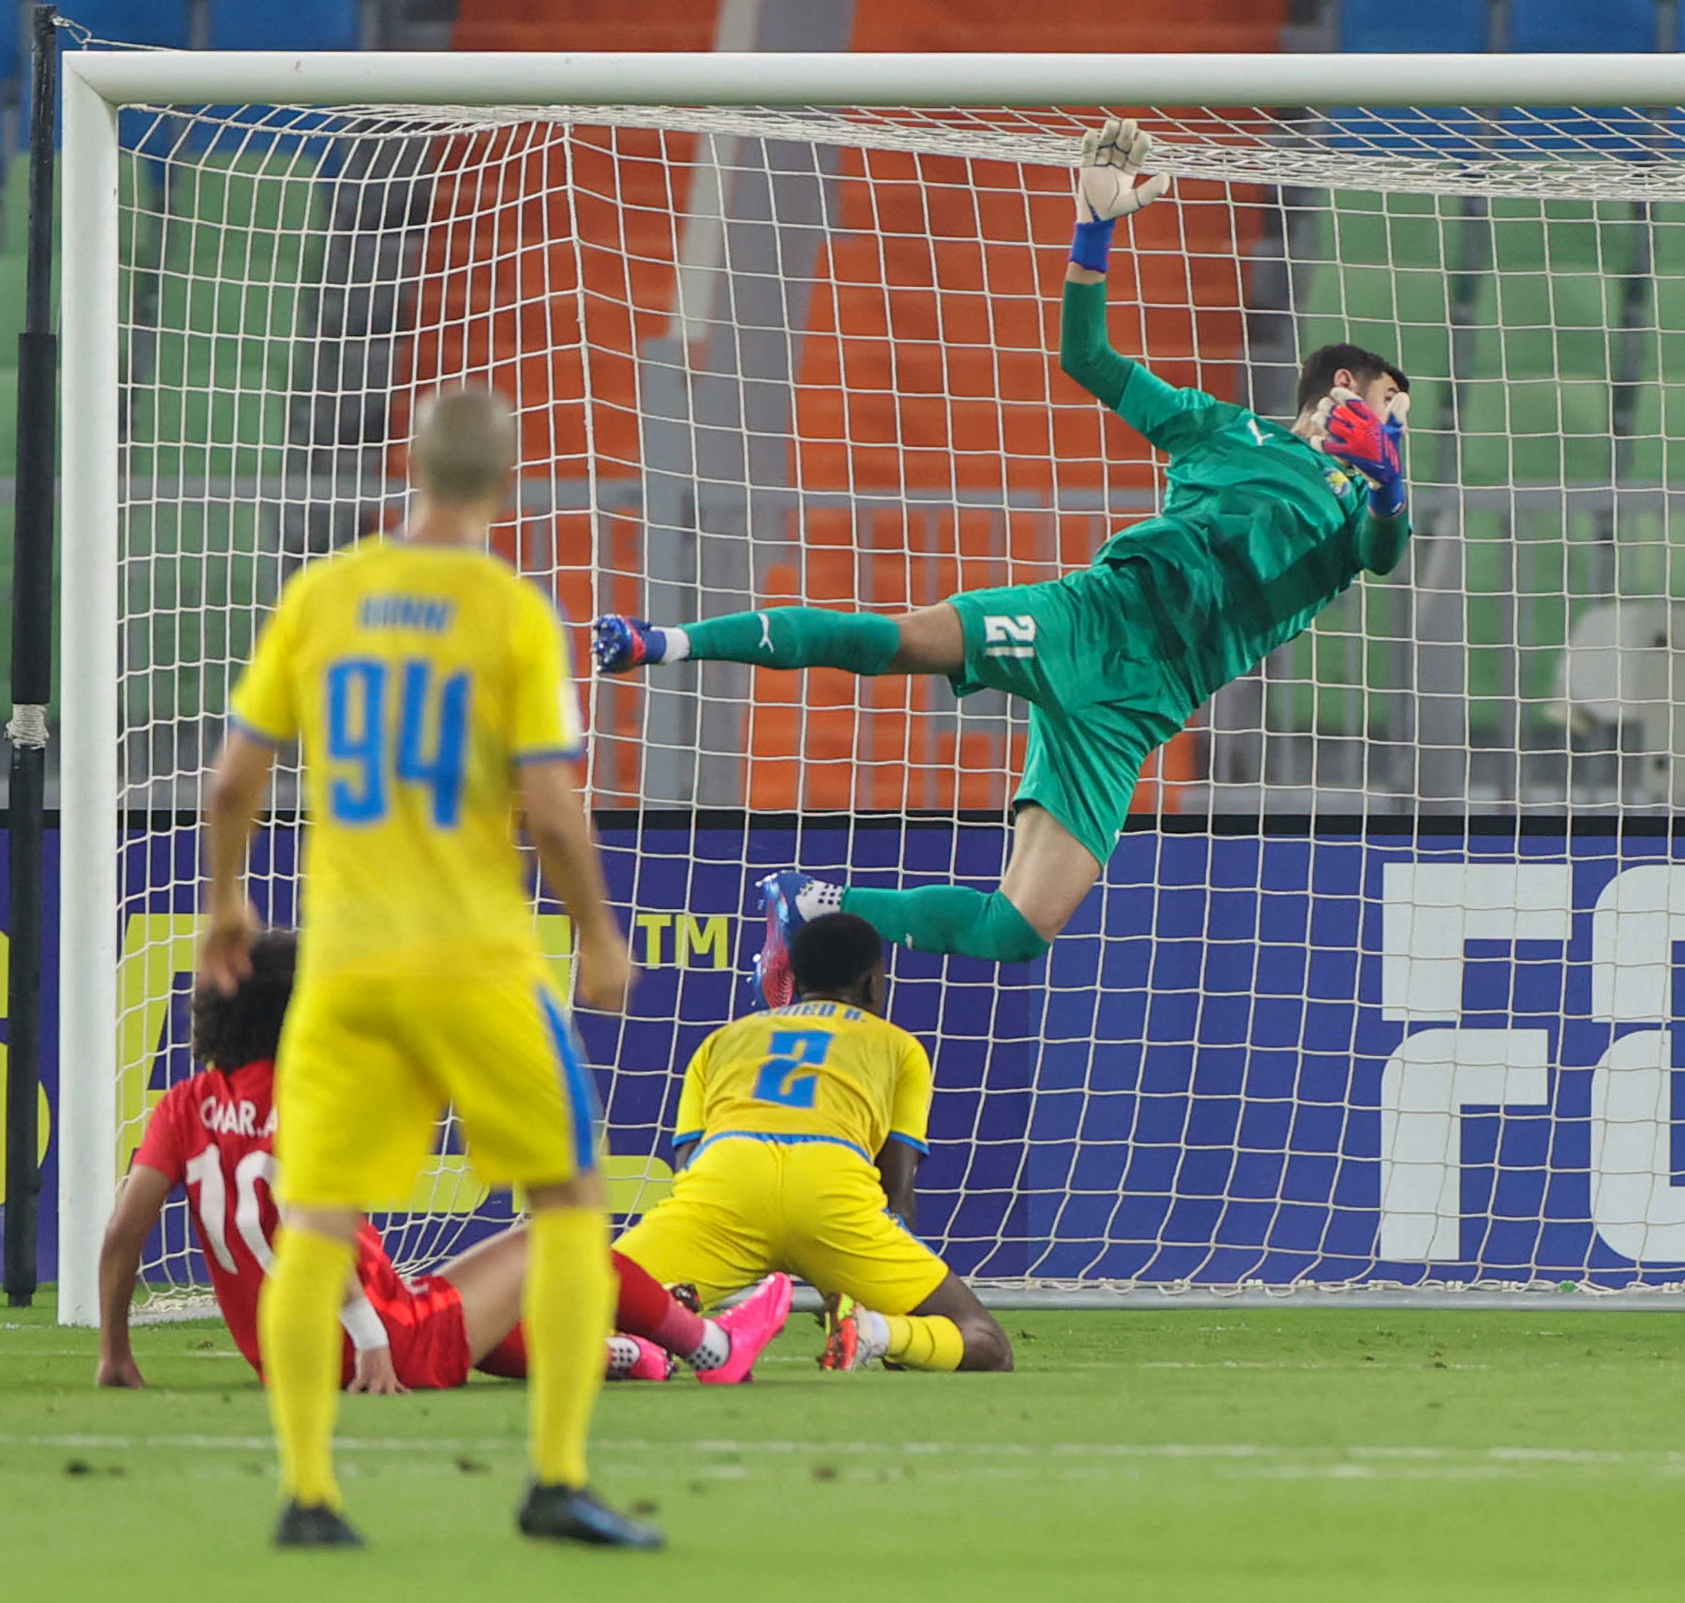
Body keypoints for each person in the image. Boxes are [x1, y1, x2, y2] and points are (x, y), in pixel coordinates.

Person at [592, 119, 1413, 998]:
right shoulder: (1222, 429)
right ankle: (668, 642)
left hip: (1139, 709)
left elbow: (1384, 554)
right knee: (896, 641)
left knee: (1019, 930)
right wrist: (1094, 229)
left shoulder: (1361, 504)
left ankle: (814, 901)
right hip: (1096, 617)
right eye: (1393, 401)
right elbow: (1085, 356)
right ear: (1341, 387)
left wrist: (1387, 477)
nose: (1399, 421)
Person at [200, 385, 658, 1549]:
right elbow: (552, 811)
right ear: (504, 485)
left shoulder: (323, 595)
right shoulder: (511, 612)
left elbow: (229, 781)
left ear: (408, 465)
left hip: (346, 968)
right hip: (472, 963)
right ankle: (555, 1478)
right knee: (569, 1200)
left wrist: (223, 905)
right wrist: (599, 935)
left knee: (315, 1222)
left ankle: (309, 1496)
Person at [94, 929, 796, 1396]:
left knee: (453, 1299)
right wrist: (370, 1342)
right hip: (377, 1347)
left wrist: (115, 1354)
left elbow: (125, 1231)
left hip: (284, 1361)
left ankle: (625, 1355)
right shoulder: (317, 1098)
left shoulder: (184, 1104)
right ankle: (712, 1347)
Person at [614, 913, 1013, 1373]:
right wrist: (861, 1287)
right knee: (983, 1340)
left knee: (578, 1303)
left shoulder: (721, 1041)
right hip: (831, 1191)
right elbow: (897, 1192)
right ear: (872, 983)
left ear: (793, 979)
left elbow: (687, 1165)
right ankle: (876, 1332)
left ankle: (659, 1325)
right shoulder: (900, 1047)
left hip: (727, 1182)